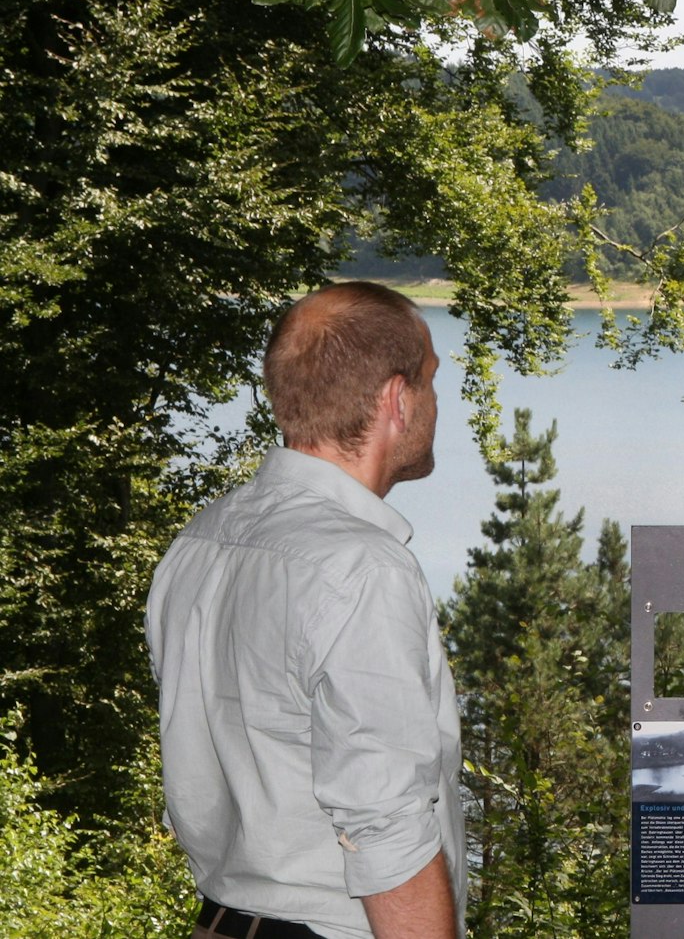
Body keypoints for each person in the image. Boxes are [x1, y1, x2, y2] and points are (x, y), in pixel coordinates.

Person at [148, 282, 464, 939]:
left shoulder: (201, 540)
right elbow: (388, 830)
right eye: (430, 380)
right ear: (396, 400)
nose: (436, 401)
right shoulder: (360, 567)